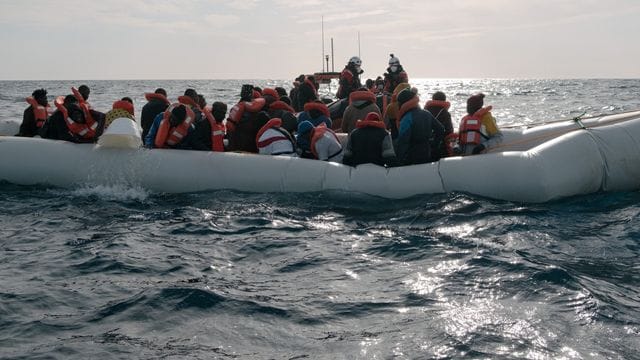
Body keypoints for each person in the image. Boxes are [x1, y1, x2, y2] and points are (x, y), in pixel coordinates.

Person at [393, 88, 445, 165]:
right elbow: (441, 129)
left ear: (402, 103)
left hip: (412, 156)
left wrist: (398, 161)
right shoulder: (427, 113)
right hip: (427, 152)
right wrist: (434, 145)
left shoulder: (407, 119)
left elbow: (403, 142)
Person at [226, 84, 266, 152]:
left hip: (235, 144)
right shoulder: (256, 109)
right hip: (249, 145)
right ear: (252, 94)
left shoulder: (235, 108)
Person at [424, 91, 454, 160]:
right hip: (440, 146)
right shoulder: (445, 113)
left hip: (425, 145)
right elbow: (449, 131)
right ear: (444, 100)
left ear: (433, 99)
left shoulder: (424, 112)